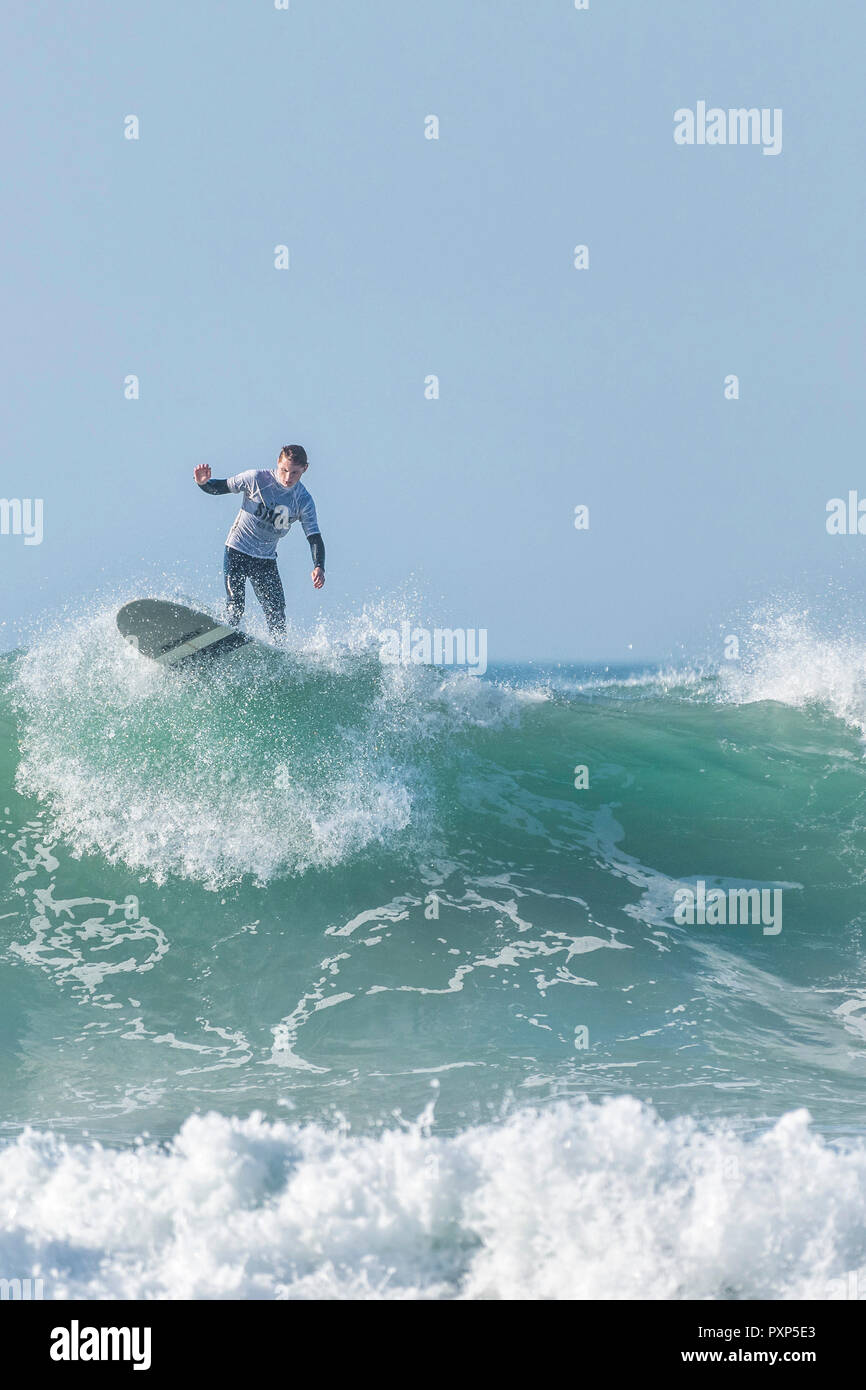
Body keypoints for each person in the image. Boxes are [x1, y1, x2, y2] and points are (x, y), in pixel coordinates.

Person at [193, 445, 325, 637]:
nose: (288, 477)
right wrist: (203, 483)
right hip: (237, 550)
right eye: (284, 470)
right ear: (278, 463)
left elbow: (314, 537)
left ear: (305, 468)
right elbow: (221, 487)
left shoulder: (304, 501)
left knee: (277, 613)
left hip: (265, 560)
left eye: (295, 472)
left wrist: (319, 565)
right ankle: (221, 639)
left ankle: (277, 652)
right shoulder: (256, 479)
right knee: (235, 605)